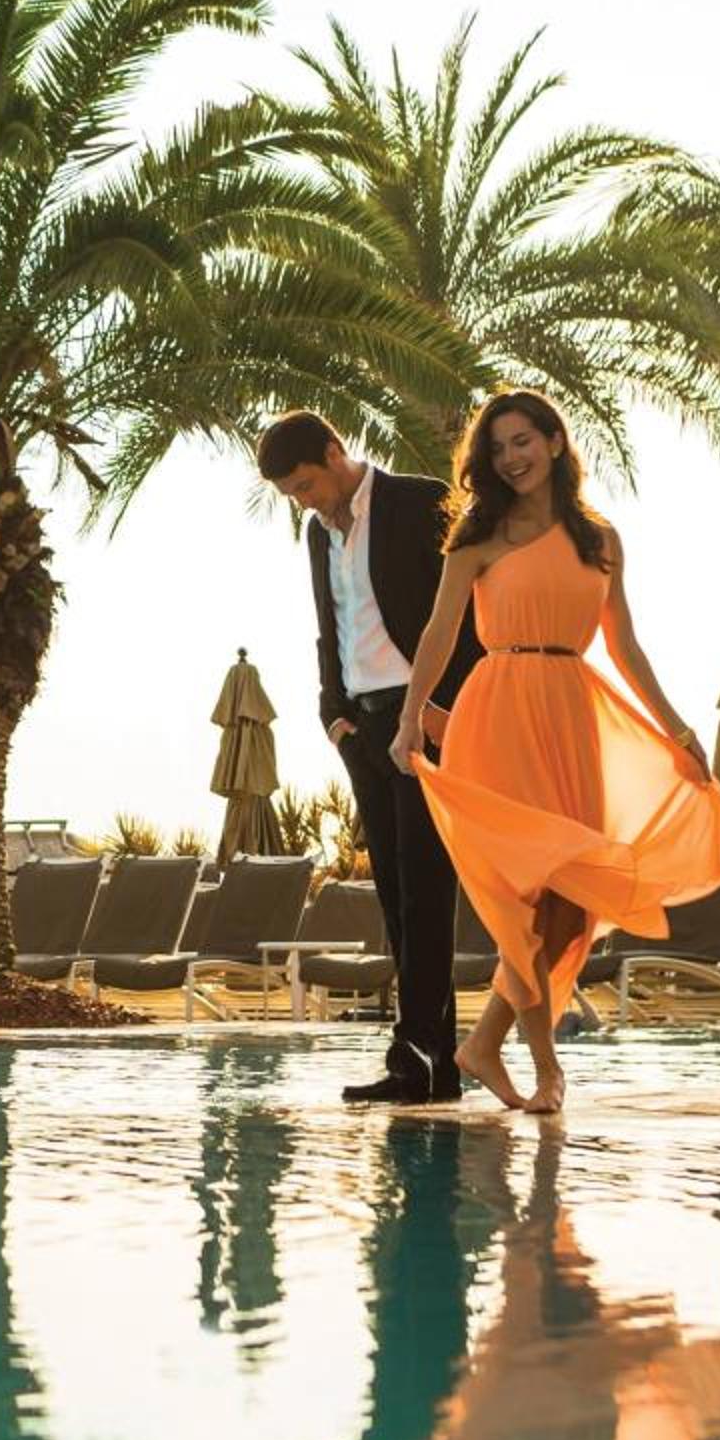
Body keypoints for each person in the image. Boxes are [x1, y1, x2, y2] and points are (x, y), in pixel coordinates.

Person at [390, 390, 720, 1114]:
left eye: (522, 442)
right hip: (500, 710)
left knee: (570, 907)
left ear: (553, 441)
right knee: (529, 899)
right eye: (497, 448)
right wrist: (411, 716)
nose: (511, 458)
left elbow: (624, 644)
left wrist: (676, 729)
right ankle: (546, 1069)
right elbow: (439, 633)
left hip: (572, 714)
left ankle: (484, 1044)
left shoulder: (600, 539)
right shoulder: (478, 537)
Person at [258, 410, 486, 1105]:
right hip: (362, 728)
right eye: (292, 494)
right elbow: (329, 625)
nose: (304, 501)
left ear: (335, 452)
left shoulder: (419, 502)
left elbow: (466, 616)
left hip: (423, 722)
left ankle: (413, 1058)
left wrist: (444, 710)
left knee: (425, 892)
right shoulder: (315, 533)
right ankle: (434, 1066)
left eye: (305, 484)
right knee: (395, 897)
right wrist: (334, 718)